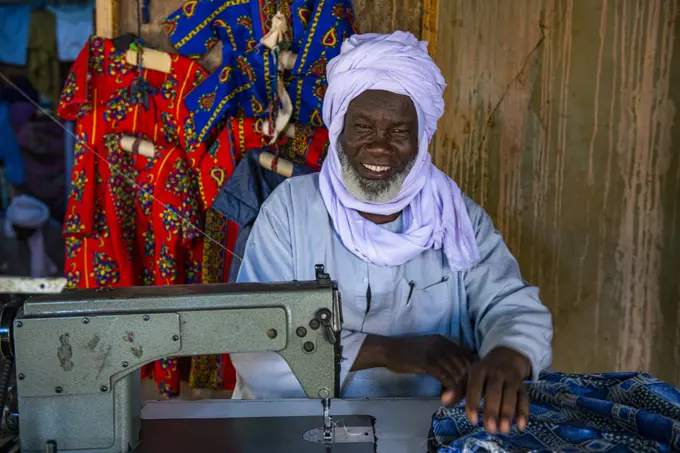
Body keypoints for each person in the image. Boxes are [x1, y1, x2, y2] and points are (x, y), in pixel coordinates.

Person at [231, 31, 553, 435]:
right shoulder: (289, 212)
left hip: (426, 431)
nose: (379, 147)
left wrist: (509, 354)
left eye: (399, 131)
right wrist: (387, 351)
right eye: (363, 126)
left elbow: (512, 306)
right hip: (299, 428)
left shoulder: (454, 217)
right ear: (337, 128)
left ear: (422, 139)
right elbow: (255, 340)